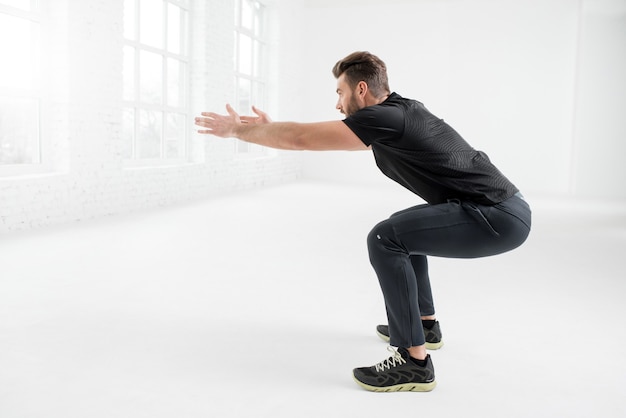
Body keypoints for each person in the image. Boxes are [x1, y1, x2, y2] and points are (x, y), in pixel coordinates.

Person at [194, 51, 531, 393]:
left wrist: (237, 131)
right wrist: (268, 130)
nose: (338, 105)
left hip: (495, 216)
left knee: (386, 238)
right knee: (404, 227)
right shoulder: (400, 111)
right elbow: (309, 134)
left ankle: (413, 362)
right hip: (504, 209)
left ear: (361, 89)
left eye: (339, 93)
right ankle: (425, 327)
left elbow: (301, 139)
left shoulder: (386, 118)